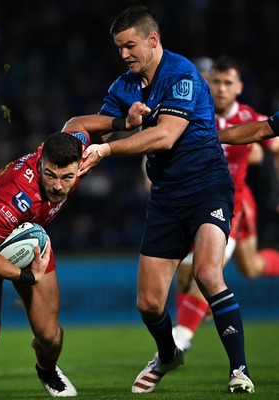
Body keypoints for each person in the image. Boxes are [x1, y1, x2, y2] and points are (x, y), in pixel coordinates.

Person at [64, 5, 259, 395]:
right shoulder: (124, 87)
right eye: (119, 48)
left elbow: (166, 136)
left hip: (207, 187)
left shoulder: (182, 75)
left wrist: (106, 151)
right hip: (166, 197)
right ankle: (168, 354)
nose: (124, 55)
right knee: (149, 304)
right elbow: (88, 127)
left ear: (153, 40)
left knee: (206, 273)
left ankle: (239, 370)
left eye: (130, 46)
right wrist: (112, 127)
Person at [0, 130, 93, 398]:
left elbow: (82, 124)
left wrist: (122, 123)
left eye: (67, 178)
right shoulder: (17, 195)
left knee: (49, 335)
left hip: (28, 238)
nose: (58, 186)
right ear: (40, 163)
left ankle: (47, 371)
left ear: (80, 166)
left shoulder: (77, 154)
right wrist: (25, 276)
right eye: (50, 175)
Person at [173, 56, 279, 353]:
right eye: (216, 81)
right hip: (199, 200)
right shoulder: (194, 113)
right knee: (251, 267)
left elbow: (274, 146)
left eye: (227, 83)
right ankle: (198, 308)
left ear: (239, 87)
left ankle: (181, 336)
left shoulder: (247, 117)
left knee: (206, 269)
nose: (220, 89)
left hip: (234, 205)